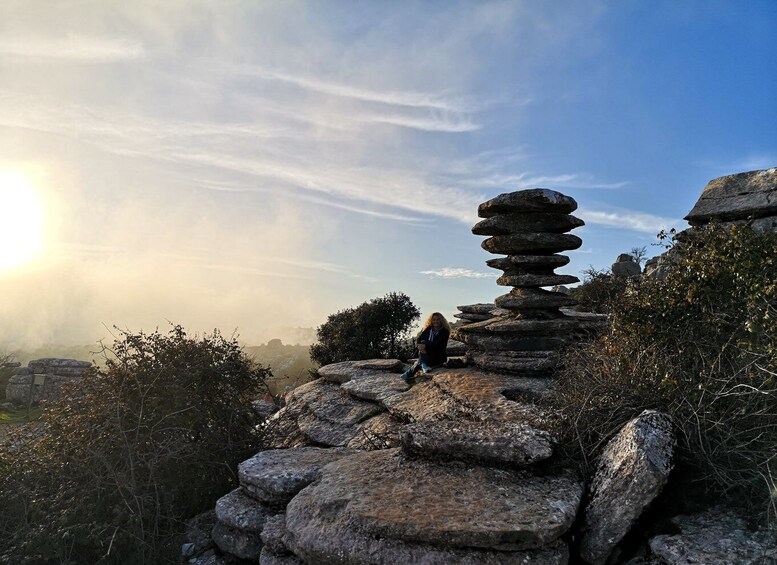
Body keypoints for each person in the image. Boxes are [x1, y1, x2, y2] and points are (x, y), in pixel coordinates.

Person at [401, 312, 451, 381]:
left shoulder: (445, 331)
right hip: (428, 355)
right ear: (431, 320)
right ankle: (424, 365)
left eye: (437, 319)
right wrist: (419, 346)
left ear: (441, 320)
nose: (435, 321)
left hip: (438, 357)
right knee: (422, 343)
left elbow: (436, 345)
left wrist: (424, 346)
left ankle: (411, 372)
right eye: (434, 319)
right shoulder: (429, 329)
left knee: (420, 359)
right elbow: (419, 339)